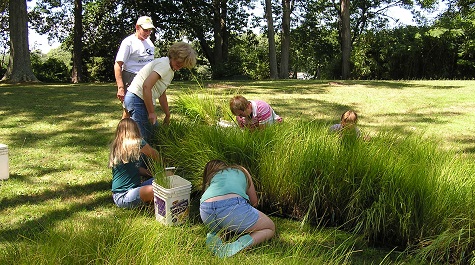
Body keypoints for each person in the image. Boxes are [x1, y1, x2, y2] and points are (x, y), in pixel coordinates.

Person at [123, 41, 197, 143]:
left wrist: (167, 114)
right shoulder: (164, 65)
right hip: (137, 99)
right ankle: (137, 158)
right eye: (178, 63)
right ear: (174, 56)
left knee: (154, 133)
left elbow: (162, 94)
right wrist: (151, 112)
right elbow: (146, 86)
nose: (179, 66)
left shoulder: (170, 70)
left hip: (139, 99)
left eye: (182, 65)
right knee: (142, 139)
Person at [199, 160, 275, 258]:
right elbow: (254, 202)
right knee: (270, 227)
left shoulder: (212, 176)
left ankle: (214, 235)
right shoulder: (242, 170)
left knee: (222, 228)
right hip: (232, 206)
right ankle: (234, 248)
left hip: (205, 210)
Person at [109, 118, 160, 209]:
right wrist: (165, 163)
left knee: (163, 180)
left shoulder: (119, 146)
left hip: (135, 189)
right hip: (123, 195)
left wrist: (151, 174)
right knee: (156, 189)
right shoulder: (138, 143)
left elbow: (135, 169)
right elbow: (155, 155)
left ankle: (152, 200)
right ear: (136, 129)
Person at [114, 16, 156, 119]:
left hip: (146, 78)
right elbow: (118, 65)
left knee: (146, 107)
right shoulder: (128, 42)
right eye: (145, 30)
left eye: (150, 31)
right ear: (137, 27)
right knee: (129, 109)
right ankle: (123, 133)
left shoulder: (149, 42)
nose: (148, 33)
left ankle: (142, 131)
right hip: (131, 77)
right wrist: (120, 88)